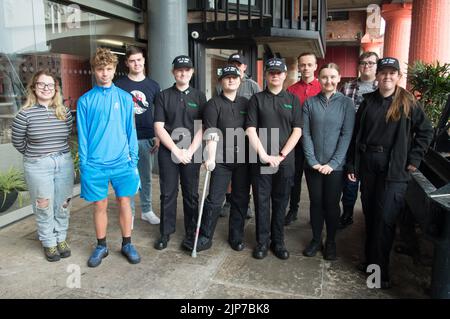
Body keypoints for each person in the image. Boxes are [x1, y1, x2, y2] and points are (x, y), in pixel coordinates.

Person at [346, 57, 433, 288]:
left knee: (384, 221)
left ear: (398, 76)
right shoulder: (368, 102)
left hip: (394, 169)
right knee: (371, 217)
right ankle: (370, 263)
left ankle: (379, 276)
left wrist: (414, 159)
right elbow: (357, 136)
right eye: (383, 72)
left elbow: (426, 132)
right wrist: (353, 165)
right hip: (369, 165)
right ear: (377, 76)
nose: (387, 76)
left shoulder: (407, 102)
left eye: (392, 73)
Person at [77, 48, 141, 267]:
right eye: (100, 69)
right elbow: (82, 136)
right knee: (100, 205)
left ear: (115, 70)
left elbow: (131, 131)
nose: (104, 73)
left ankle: (127, 243)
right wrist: (84, 164)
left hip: (123, 162)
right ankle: (101, 245)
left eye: (109, 69)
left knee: (125, 201)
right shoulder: (85, 101)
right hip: (95, 164)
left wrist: (134, 161)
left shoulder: (125, 98)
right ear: (94, 71)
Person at [11, 70, 74, 262]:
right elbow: (17, 141)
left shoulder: (65, 113)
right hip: (38, 164)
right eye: (41, 84)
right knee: (43, 205)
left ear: (56, 89)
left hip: (63, 162)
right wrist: (36, 156)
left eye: (50, 85)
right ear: (33, 88)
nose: (46, 88)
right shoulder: (24, 115)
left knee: (63, 203)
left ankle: (61, 238)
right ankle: (49, 242)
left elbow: (67, 135)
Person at [246, 58, 302, 260]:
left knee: (280, 202)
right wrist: (263, 155)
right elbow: (250, 129)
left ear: (284, 75)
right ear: (266, 75)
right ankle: (262, 242)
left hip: (284, 161)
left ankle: (278, 242)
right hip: (261, 160)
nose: (275, 75)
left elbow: (297, 130)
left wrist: (281, 155)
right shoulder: (257, 99)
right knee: (262, 202)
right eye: (271, 72)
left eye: (279, 72)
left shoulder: (293, 100)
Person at [191, 65, 251, 252]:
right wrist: (209, 158)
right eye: (227, 77)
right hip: (221, 159)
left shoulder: (246, 103)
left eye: (234, 77)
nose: (231, 80)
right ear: (221, 81)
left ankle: (236, 236)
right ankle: (206, 236)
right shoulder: (213, 104)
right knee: (215, 199)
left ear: (240, 81)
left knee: (240, 199)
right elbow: (211, 133)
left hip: (243, 159)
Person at [301, 63, 355, 260]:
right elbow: (305, 134)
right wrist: (313, 161)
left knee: (331, 204)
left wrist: (333, 163)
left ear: (339, 78)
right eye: (324, 77)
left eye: (332, 77)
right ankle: (316, 239)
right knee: (316, 203)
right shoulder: (309, 103)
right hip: (313, 165)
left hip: (336, 167)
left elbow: (346, 135)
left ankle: (330, 241)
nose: (328, 81)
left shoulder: (347, 104)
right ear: (319, 78)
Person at [153, 55, 206, 250]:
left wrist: (190, 151)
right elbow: (159, 127)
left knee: (191, 194)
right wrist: (176, 151)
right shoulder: (163, 96)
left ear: (192, 72)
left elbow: (202, 126)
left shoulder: (199, 97)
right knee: (168, 193)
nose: (183, 73)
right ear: (173, 72)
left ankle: (192, 231)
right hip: (169, 151)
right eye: (179, 69)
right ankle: (165, 232)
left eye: (186, 69)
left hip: (192, 151)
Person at [115, 46, 161, 229]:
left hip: (147, 137)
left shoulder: (153, 85)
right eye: (132, 60)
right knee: (128, 176)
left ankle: (146, 210)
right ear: (127, 63)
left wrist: (158, 135)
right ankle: (130, 213)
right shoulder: (119, 85)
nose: (136, 63)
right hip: (126, 139)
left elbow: (159, 113)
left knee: (145, 176)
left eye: (139, 60)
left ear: (144, 61)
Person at [217, 53, 261, 219]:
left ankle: (245, 202)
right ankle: (229, 201)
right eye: (232, 63)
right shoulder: (220, 85)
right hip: (227, 137)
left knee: (244, 174)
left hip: (247, 137)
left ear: (244, 67)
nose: (235, 66)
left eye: (238, 64)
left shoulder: (252, 86)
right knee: (229, 173)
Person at [339, 51, 379, 229]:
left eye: (371, 63)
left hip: (373, 143)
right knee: (350, 182)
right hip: (350, 142)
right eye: (363, 62)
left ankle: (370, 218)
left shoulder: (383, 87)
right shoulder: (347, 87)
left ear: (377, 66)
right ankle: (347, 214)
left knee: (370, 187)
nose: (367, 66)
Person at [285, 52, 322, 226]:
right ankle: (293, 210)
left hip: (317, 143)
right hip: (296, 144)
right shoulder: (291, 90)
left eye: (309, 64)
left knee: (316, 180)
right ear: (299, 67)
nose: (306, 68)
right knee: (294, 178)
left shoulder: (323, 87)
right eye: (302, 65)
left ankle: (316, 214)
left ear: (315, 66)